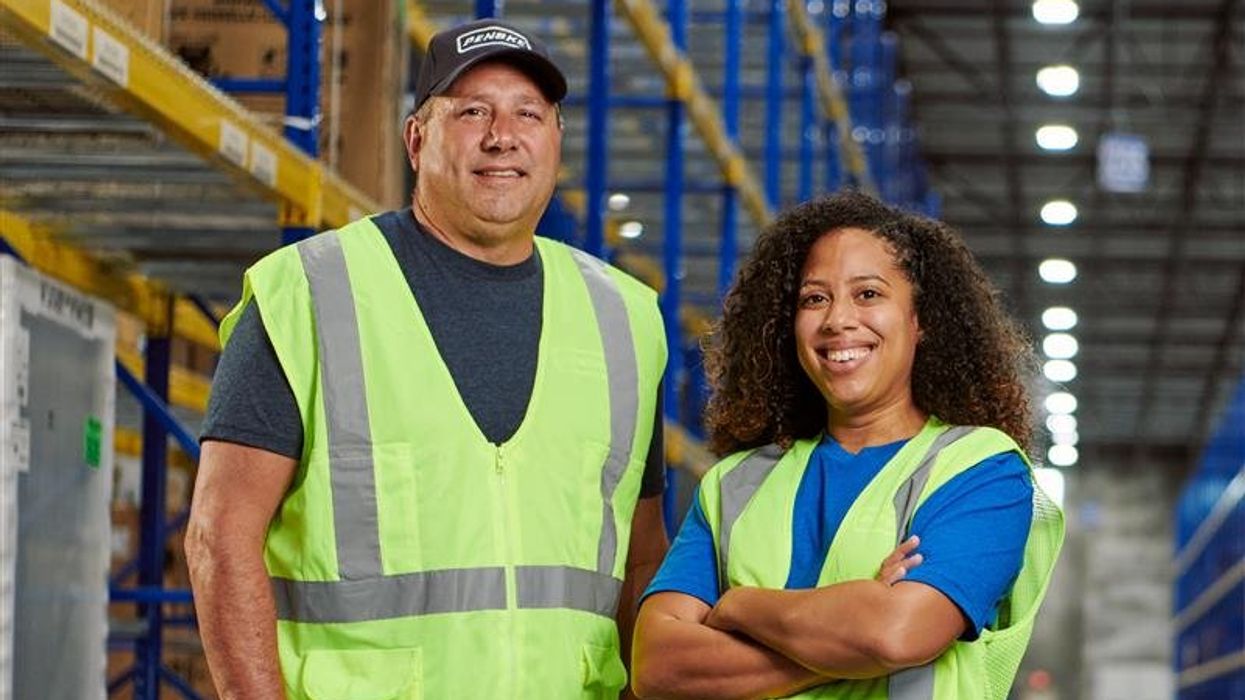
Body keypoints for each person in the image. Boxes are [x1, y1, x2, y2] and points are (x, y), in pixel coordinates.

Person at [186, 19, 669, 699]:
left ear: (555, 139)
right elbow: (220, 536)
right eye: (471, 111)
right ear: (417, 139)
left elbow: (642, 553)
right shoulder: (309, 292)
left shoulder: (626, 317)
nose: (501, 135)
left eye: (527, 113)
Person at [631, 191, 1064, 699]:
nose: (837, 320)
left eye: (868, 294)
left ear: (920, 321)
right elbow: (656, 666)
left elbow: (896, 633)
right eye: (815, 298)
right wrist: (849, 635)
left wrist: (741, 606)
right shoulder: (735, 484)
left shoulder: (978, 470)